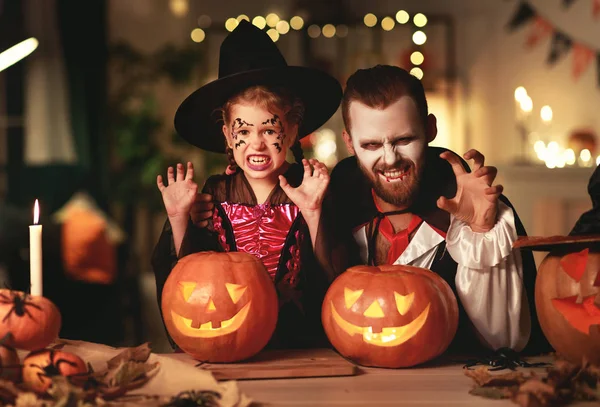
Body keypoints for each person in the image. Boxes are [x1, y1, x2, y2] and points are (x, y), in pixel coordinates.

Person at [319, 64, 550, 357]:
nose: (390, 159)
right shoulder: (337, 203)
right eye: (371, 144)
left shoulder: (477, 205)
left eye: (404, 140)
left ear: (429, 129)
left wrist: (480, 229)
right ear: (350, 143)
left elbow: (502, 342)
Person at [151, 20, 342, 350]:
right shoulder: (214, 195)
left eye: (269, 130)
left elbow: (341, 284)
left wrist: (313, 214)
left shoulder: (311, 187)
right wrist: (179, 218)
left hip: (303, 346)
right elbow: (187, 286)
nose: (256, 144)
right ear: (226, 134)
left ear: (295, 129)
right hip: (230, 340)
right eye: (243, 132)